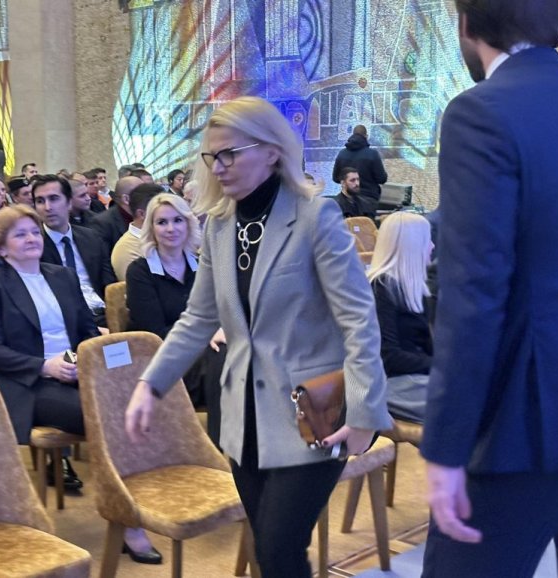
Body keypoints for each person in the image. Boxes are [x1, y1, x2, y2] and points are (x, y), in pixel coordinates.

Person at [124, 96, 390, 578]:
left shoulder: (315, 217)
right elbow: (198, 317)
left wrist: (366, 411)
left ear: (271, 151)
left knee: (279, 550)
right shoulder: (219, 224)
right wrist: (150, 383)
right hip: (242, 413)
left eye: (230, 154)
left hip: (314, 411)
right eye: (212, 156)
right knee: (268, 550)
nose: (218, 167)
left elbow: (359, 320)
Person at [420, 1, 558, 577]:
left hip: (529, 422)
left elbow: (472, 294)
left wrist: (446, 446)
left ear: (467, 25)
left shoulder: (481, 112)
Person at [0, 205, 98, 491]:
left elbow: (87, 331)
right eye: (20, 235)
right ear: (1, 248)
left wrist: (78, 361)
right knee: (101, 413)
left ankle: (137, 481)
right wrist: (45, 366)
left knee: (130, 397)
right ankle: (121, 490)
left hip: (74, 370)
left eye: (34, 232)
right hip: (27, 381)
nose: (31, 239)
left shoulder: (63, 276)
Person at [125, 192, 225, 415]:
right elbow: (154, 333)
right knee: (221, 365)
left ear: (188, 224)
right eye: (162, 222)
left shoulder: (202, 265)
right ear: (151, 228)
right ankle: (221, 433)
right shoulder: (139, 272)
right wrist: (205, 335)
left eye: (178, 220)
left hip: (206, 350)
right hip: (162, 359)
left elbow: (219, 313)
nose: (171, 229)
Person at [367, 212, 433, 423]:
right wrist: (440, 366)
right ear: (411, 246)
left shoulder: (414, 290)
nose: (432, 246)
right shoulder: (381, 290)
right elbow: (390, 357)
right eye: (427, 240)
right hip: (392, 386)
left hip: (413, 379)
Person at [32, 174, 115, 328]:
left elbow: (108, 281)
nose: (47, 207)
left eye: (54, 199)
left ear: (69, 202)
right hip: (65, 321)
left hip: (103, 313)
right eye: (40, 201)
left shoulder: (91, 237)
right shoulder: (34, 246)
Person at [110, 182, 162, 281]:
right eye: (160, 211)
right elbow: (137, 286)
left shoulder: (165, 237)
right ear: (142, 214)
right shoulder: (126, 249)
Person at [331, 124, 387, 207]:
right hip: (369, 200)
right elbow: (382, 179)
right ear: (366, 136)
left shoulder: (342, 154)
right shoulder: (372, 154)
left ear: (352, 135)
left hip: (347, 201)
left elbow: (335, 178)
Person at [90, 175, 139, 254]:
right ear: (126, 199)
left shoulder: (144, 215)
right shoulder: (102, 223)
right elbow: (104, 257)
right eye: (142, 193)